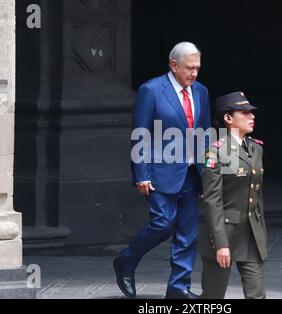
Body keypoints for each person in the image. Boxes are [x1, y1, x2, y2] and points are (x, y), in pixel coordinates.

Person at [113, 42, 211, 299]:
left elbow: (204, 133)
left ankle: (179, 287)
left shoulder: (201, 91)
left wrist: (208, 172)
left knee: (188, 232)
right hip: (159, 172)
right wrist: (141, 173)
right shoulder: (152, 90)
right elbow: (141, 134)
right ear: (174, 65)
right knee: (162, 224)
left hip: (192, 173)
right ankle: (126, 260)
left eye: (198, 68)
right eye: (189, 68)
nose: (194, 74)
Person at [198, 91, 268, 299]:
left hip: (251, 235)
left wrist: (261, 234)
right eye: (244, 112)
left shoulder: (256, 149)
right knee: (213, 296)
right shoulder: (216, 152)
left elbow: (257, 196)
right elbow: (212, 200)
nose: (251, 116)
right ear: (228, 118)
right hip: (224, 234)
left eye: (252, 112)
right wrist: (220, 244)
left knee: (257, 294)